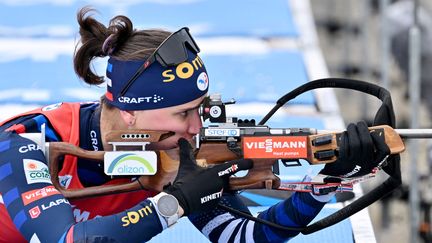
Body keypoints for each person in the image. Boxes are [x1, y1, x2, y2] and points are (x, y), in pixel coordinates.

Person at [0, 7, 390, 243]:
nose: (194, 127)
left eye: (200, 109)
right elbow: (69, 240)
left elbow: (246, 237)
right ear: (129, 111)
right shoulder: (27, 140)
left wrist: (327, 183)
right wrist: (177, 203)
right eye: (182, 113)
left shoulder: (175, 154)